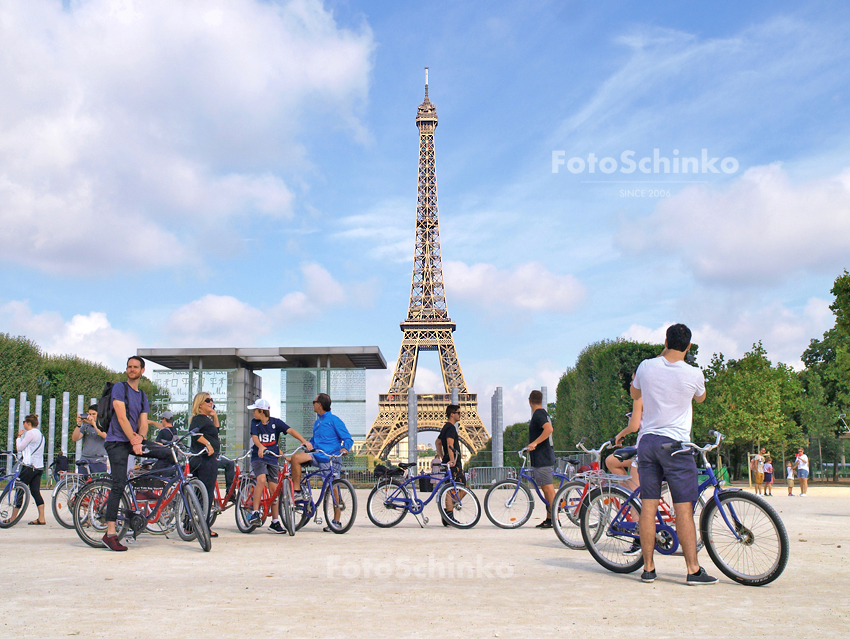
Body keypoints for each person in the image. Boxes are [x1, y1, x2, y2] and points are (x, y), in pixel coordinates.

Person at [631, 323, 716, 585]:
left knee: (648, 505)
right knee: (683, 510)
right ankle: (692, 569)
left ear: (665, 341)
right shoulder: (694, 373)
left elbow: (634, 393)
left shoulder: (646, 366)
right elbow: (700, 399)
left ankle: (648, 568)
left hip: (648, 442)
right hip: (677, 446)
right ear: (689, 347)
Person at [103, 356, 150, 552]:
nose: (132, 370)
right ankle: (110, 533)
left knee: (164, 454)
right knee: (118, 483)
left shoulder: (143, 395)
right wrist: (134, 440)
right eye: (129, 367)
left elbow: (144, 422)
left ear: (142, 370)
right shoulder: (119, 388)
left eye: (135, 367)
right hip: (116, 441)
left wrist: (140, 437)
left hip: (132, 439)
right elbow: (121, 416)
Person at [245, 398, 310, 534]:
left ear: (261, 411)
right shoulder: (254, 423)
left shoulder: (276, 423)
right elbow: (255, 438)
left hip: (273, 459)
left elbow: (290, 430)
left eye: (255, 411)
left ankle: (275, 522)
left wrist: (304, 441)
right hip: (259, 458)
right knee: (261, 479)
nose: (253, 413)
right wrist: (261, 447)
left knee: (274, 490)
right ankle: (256, 512)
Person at [290, 393, 352, 531]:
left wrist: (345, 448)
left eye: (314, 401)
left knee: (333, 488)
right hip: (317, 455)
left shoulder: (334, 420)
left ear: (320, 404)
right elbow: (314, 440)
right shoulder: (317, 422)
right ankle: (298, 490)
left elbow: (347, 438)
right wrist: (308, 445)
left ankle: (336, 521)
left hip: (331, 458)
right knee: (295, 458)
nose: (312, 404)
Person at [188, 392, 220, 536]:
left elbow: (216, 432)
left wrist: (215, 416)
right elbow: (194, 434)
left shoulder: (205, 419)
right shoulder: (198, 419)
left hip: (208, 460)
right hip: (203, 460)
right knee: (205, 493)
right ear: (200, 404)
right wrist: (208, 444)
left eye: (211, 400)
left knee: (202, 493)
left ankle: (192, 525)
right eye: (207, 400)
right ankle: (203, 526)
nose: (211, 402)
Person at [527, 390, 556, 529]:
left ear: (529, 401)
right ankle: (550, 519)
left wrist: (535, 443)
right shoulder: (542, 413)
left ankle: (555, 519)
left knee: (548, 489)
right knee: (545, 488)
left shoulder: (538, 414)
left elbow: (549, 429)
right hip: (543, 456)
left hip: (542, 456)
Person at [13, 415, 46, 525]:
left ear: (28, 423)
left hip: (29, 466)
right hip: (39, 466)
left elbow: (20, 448)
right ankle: (41, 517)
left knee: (19, 490)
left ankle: (13, 518)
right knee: (35, 491)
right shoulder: (40, 434)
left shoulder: (30, 433)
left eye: (24, 422)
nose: (23, 424)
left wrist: (18, 437)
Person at [435, 404, 464, 526]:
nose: (460, 415)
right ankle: (449, 513)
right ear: (452, 414)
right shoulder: (451, 428)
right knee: (463, 486)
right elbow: (450, 444)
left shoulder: (445, 427)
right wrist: (452, 460)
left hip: (448, 460)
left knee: (451, 488)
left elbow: (438, 442)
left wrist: (443, 457)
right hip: (453, 463)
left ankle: (448, 512)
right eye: (458, 413)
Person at [73, 404, 108, 475]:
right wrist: (78, 425)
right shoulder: (86, 427)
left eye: (94, 414)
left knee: (97, 483)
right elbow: (75, 438)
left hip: (99, 460)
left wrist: (94, 424)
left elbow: (105, 435)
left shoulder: (104, 425)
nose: (91, 416)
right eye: (89, 414)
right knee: (83, 482)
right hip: (85, 459)